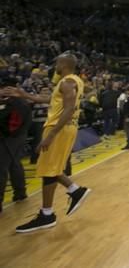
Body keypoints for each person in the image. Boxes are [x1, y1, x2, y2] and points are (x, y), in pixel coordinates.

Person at [2, 53, 91, 233]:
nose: (54, 66)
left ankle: (48, 214)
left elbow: (69, 109)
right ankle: (74, 192)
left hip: (58, 128)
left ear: (64, 64)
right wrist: (24, 94)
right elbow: (52, 100)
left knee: (49, 170)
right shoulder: (71, 81)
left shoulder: (67, 82)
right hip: (63, 128)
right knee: (50, 168)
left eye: (57, 62)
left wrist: (50, 136)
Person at [0, 77, 31, 212]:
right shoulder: (17, 102)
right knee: (15, 164)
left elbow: (11, 126)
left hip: (10, 138)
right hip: (17, 136)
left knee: (1, 168)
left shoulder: (15, 103)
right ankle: (20, 192)